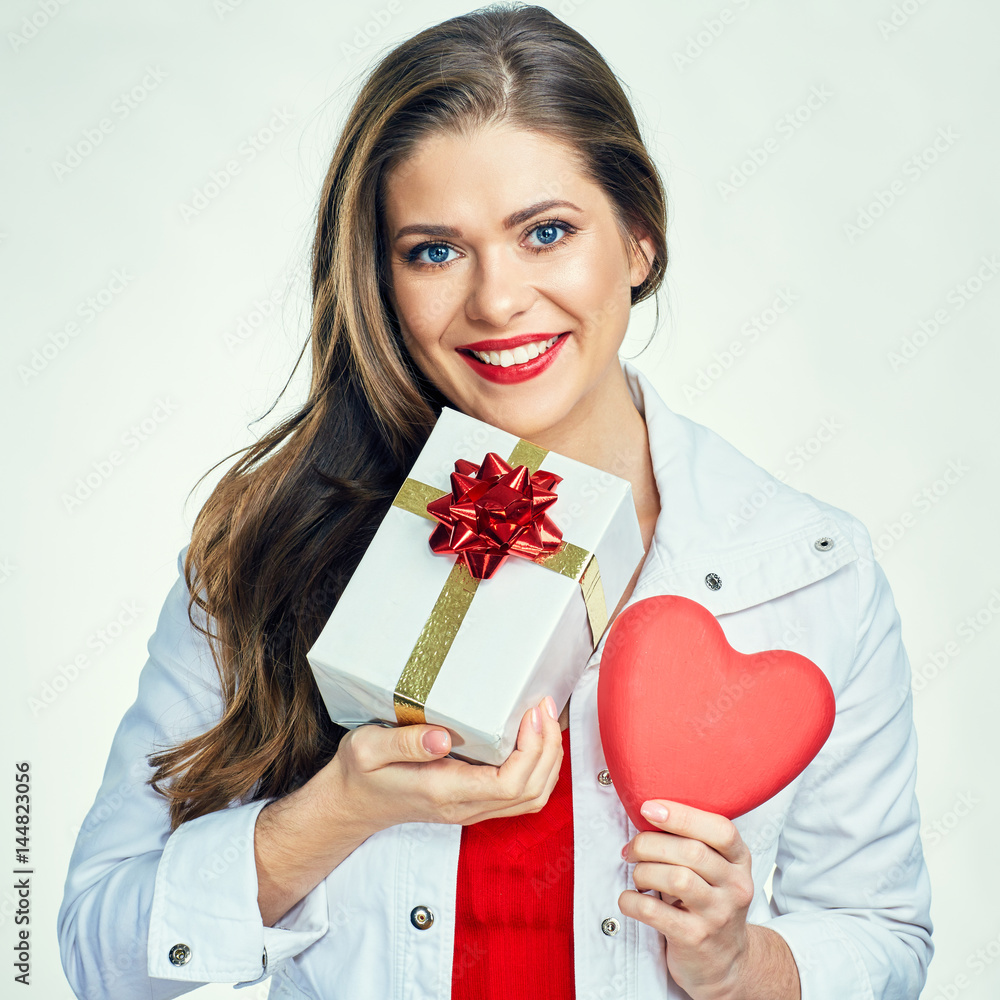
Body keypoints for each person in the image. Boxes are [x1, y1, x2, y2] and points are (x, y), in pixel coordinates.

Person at [57, 4, 933, 998]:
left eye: (545, 233)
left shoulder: (804, 568)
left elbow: (881, 931)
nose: (497, 301)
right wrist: (334, 811)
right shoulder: (271, 541)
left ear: (638, 242)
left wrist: (739, 964)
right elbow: (97, 951)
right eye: (434, 250)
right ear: (382, 279)